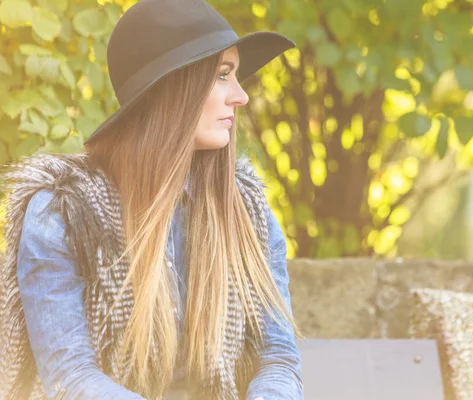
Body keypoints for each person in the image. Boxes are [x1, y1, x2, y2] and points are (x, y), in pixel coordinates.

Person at [0, 0, 304, 399]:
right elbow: (69, 377)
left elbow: (279, 357)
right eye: (222, 76)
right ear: (170, 88)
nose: (241, 96)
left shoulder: (248, 212)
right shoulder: (64, 215)